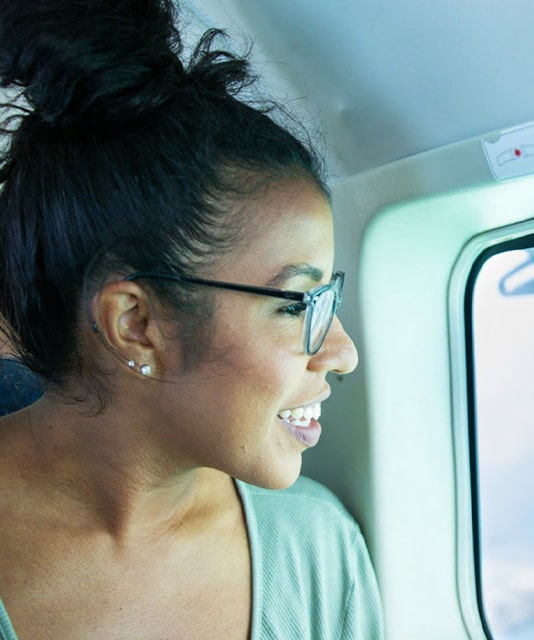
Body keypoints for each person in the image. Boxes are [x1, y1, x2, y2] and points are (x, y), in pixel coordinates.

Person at [0, 0, 383, 638]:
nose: (342, 352)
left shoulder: (319, 551)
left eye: (329, 299)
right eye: (296, 304)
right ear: (138, 325)